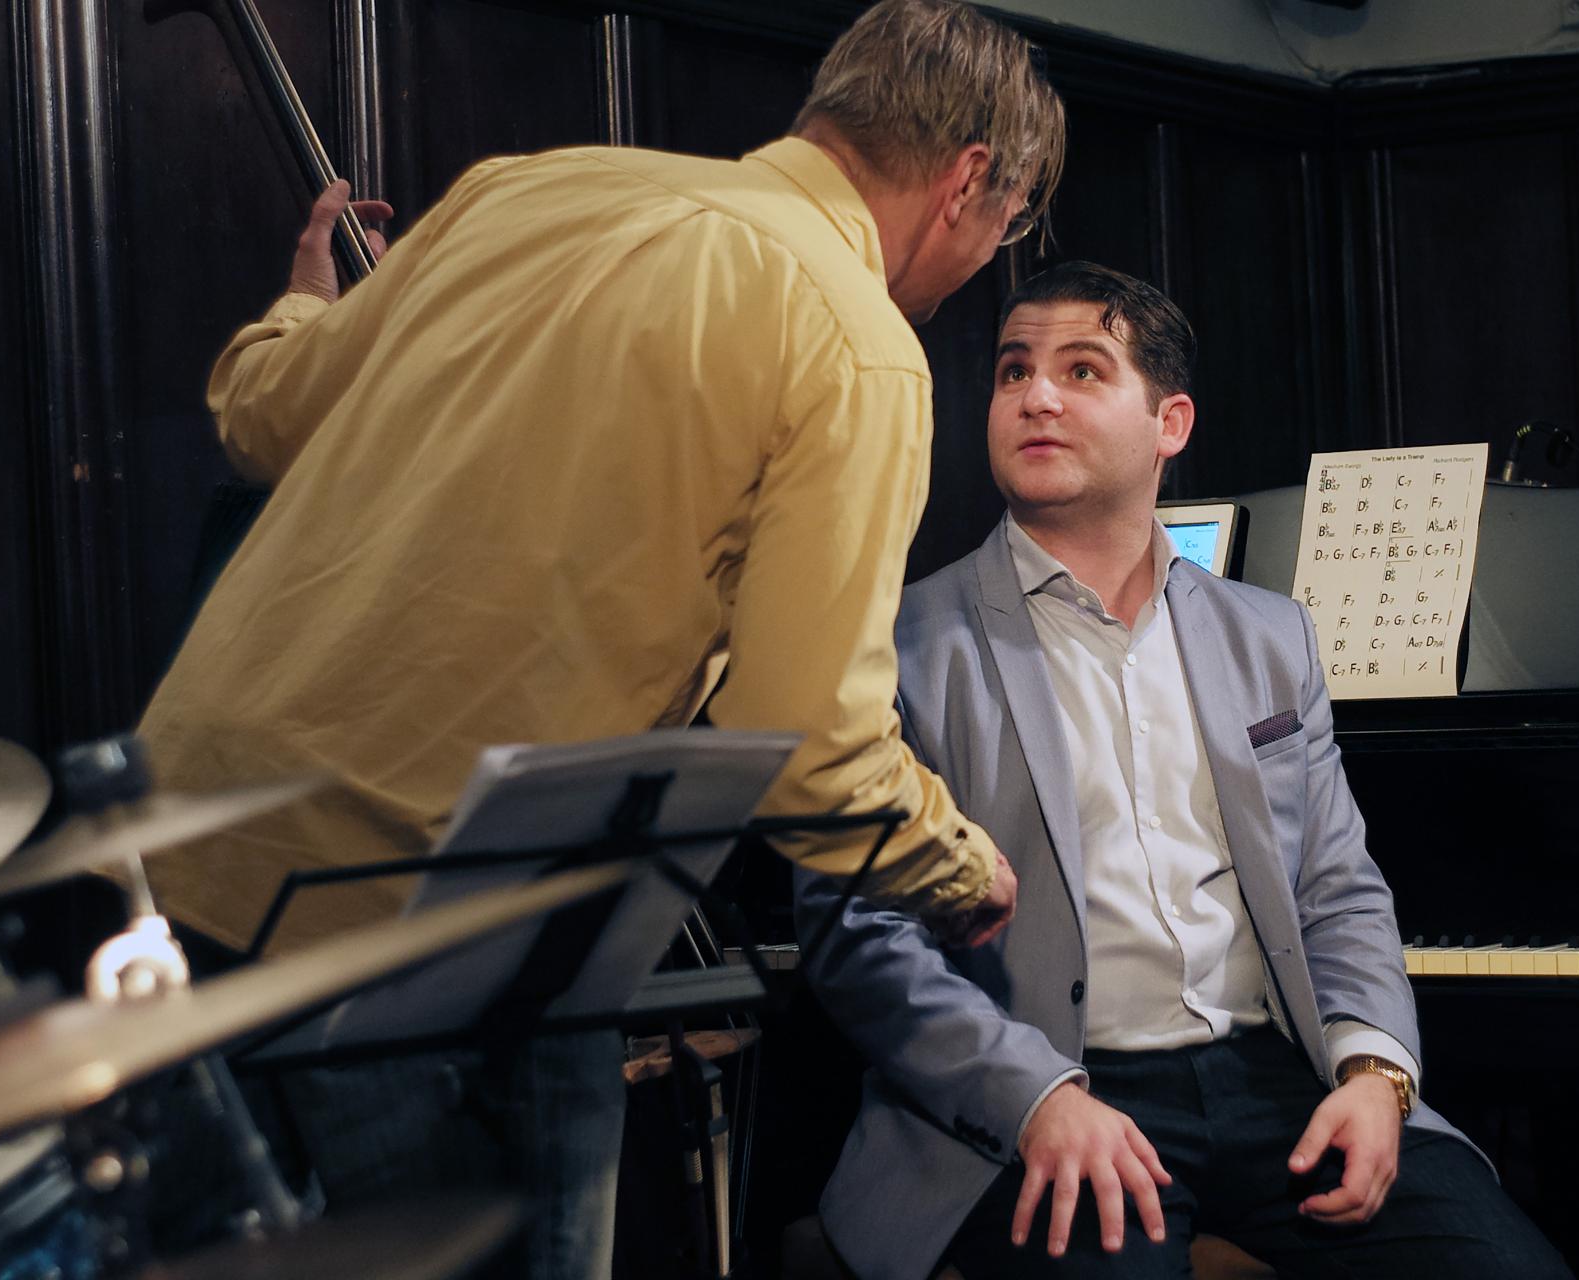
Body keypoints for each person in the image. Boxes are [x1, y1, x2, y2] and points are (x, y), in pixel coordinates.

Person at [137, 2, 1064, 1275]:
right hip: (419, 912)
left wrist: (305, 308)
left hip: (182, 848)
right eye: (1002, 229)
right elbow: (806, 748)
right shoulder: (856, 344)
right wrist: (955, 867)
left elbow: (260, 415)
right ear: (966, 183)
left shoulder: (522, 192)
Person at [796, 262, 1572, 1279]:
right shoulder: (898, 642)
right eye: (1013, 370)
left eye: (1081, 370)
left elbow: (1337, 887)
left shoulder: (1269, 635)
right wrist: (1034, 1098)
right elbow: (858, 932)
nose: (1035, 396)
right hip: (1043, 1084)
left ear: (1169, 423)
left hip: (1275, 1075)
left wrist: (1375, 1073)